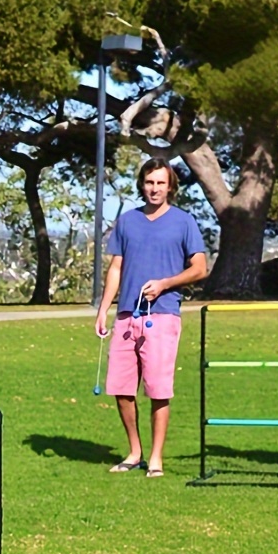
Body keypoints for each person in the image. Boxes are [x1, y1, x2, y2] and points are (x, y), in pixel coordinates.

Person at [95, 157, 207, 478]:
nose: (154, 188)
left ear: (170, 185)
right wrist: (104, 309)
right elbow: (116, 268)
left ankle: (156, 457)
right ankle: (135, 451)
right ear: (141, 185)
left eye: (160, 182)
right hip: (126, 316)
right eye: (149, 182)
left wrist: (164, 284)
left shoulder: (184, 222)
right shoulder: (128, 221)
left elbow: (200, 268)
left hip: (163, 316)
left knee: (158, 390)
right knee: (121, 388)